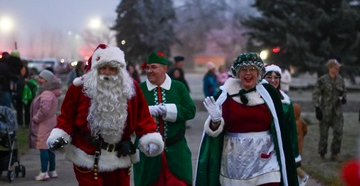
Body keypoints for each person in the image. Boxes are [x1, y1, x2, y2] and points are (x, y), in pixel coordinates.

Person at [46, 44, 164, 186]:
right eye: (103, 68)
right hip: (87, 155)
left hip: (120, 155)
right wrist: (60, 136)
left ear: (119, 70)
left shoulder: (131, 89)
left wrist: (150, 137)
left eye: (112, 68)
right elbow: (66, 118)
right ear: (95, 68)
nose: (107, 72)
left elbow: (143, 118)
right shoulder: (79, 88)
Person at [195, 52, 299, 186]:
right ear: (237, 73)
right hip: (234, 162)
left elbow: (280, 129)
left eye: (252, 69)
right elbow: (214, 133)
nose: (248, 73)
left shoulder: (269, 93)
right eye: (244, 69)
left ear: (259, 73)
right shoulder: (226, 95)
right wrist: (215, 121)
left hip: (266, 162)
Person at [133, 52, 196, 186]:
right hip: (148, 153)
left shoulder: (178, 87)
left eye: (154, 67)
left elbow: (190, 111)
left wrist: (169, 110)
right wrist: (146, 112)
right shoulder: (140, 88)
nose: (149, 71)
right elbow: (130, 116)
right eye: (148, 67)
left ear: (164, 69)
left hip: (176, 151)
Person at [263, 64, 308, 186]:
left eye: (276, 77)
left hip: (280, 149)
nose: (273, 80)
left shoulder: (286, 103)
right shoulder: (257, 99)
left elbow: (291, 131)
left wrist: (294, 155)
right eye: (269, 77)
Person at [29, 69, 62, 181]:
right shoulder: (51, 92)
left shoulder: (46, 93)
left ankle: (44, 172)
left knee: (43, 147)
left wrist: (36, 118)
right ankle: (52, 170)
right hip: (50, 123)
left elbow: (44, 110)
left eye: (42, 78)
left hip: (43, 124)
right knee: (50, 148)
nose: (39, 80)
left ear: (47, 80)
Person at [312, 58, 346, 162]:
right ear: (330, 68)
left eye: (338, 68)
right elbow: (316, 94)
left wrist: (344, 97)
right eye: (335, 68)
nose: (337, 70)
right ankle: (322, 154)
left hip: (337, 112)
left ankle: (334, 153)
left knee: (338, 132)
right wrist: (317, 107)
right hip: (325, 111)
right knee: (324, 134)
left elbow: (344, 91)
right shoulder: (322, 80)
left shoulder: (340, 79)